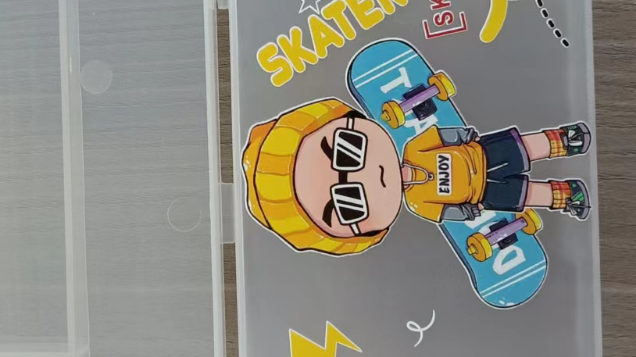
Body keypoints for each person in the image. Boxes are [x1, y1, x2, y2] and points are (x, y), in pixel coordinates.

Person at [242, 97, 591, 255]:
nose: (368, 176)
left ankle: (563, 139)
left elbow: (442, 136)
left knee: (523, 147)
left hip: (479, 152)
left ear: (352, 119)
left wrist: (463, 136)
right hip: (482, 194)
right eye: (350, 205)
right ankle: (564, 195)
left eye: (349, 147)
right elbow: (448, 212)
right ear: (367, 234)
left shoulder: (414, 147)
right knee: (524, 195)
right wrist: (468, 210)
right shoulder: (419, 204)